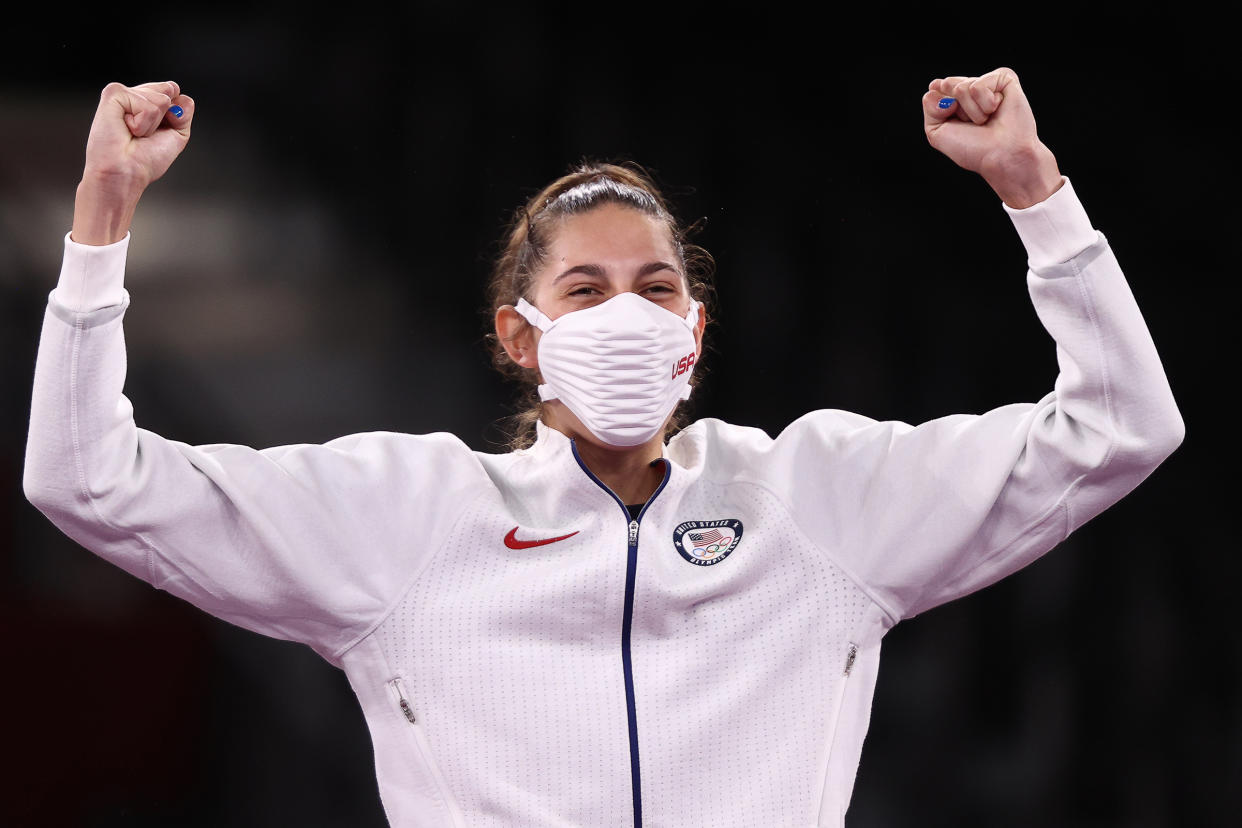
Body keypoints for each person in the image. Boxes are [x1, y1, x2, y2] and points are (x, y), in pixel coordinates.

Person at [24, 69, 1183, 826]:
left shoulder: (820, 499)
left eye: (655, 288)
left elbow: (1124, 422)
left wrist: (1035, 189)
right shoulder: (407, 516)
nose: (626, 314)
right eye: (586, 290)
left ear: (694, 330)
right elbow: (85, 477)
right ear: (517, 336)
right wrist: (103, 217)